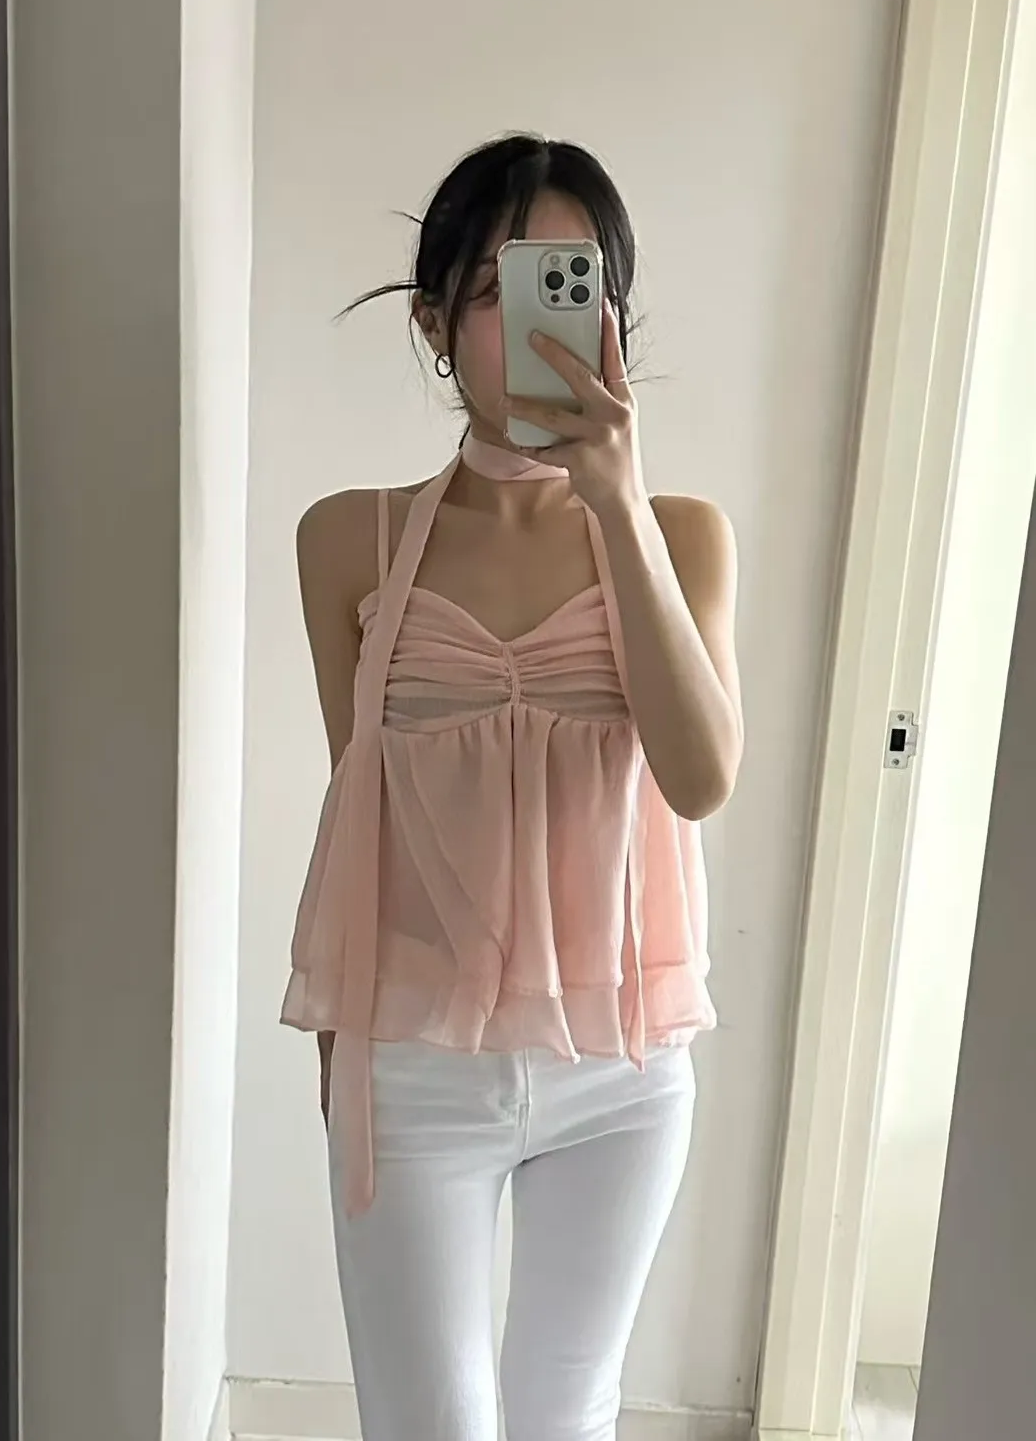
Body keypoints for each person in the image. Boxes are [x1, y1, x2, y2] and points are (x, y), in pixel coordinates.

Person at [281, 133, 743, 1441]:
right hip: (413, 1061)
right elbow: (364, 814)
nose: (538, 321)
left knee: (566, 1417)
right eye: (495, 289)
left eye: (570, 282)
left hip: (622, 1071)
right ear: (435, 324)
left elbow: (700, 775)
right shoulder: (348, 539)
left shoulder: (682, 535)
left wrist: (618, 506)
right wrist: (343, 1051)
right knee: (426, 1423)